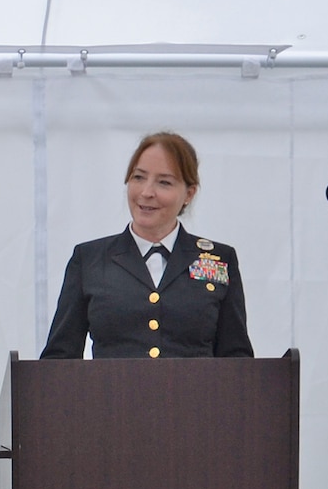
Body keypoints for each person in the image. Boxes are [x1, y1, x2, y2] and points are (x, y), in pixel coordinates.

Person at [40, 131, 254, 359]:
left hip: (195, 395)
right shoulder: (90, 259)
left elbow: (237, 362)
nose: (146, 192)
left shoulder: (219, 260)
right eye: (138, 178)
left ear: (188, 194)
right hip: (112, 394)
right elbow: (59, 361)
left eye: (164, 182)